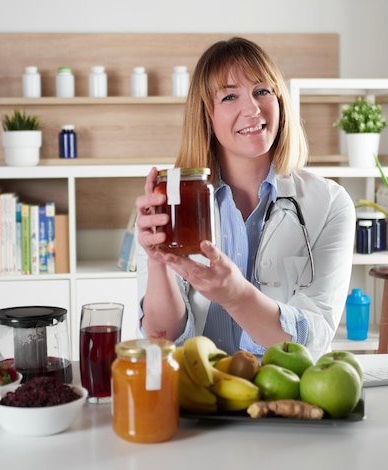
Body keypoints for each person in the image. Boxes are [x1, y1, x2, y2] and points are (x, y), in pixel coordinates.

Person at [134, 37, 355, 361]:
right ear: (206, 114)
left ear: (280, 100)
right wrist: (157, 261)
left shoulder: (331, 204)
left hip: (287, 395)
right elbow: (161, 339)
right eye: (229, 96)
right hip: (197, 393)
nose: (252, 109)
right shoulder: (169, 202)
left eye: (262, 91)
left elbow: (316, 334)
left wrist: (237, 296)